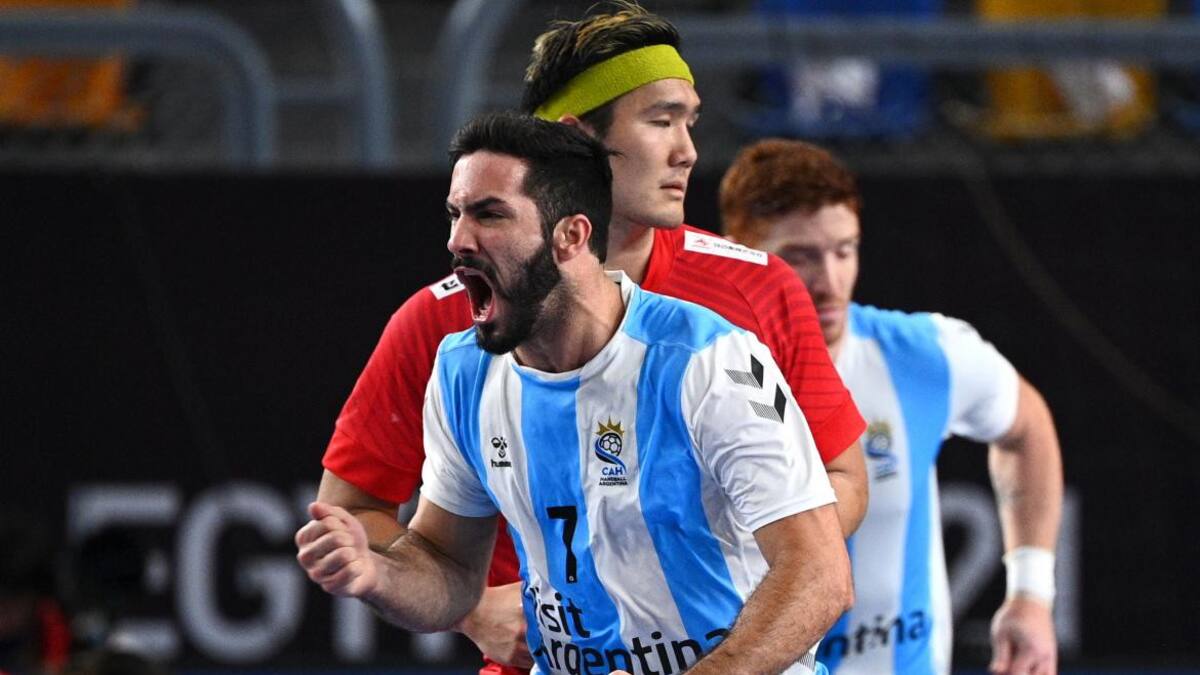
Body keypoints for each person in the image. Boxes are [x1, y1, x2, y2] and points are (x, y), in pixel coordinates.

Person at [317, 2, 867, 672]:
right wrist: (473, 608)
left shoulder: (734, 315)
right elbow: (373, 523)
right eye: (661, 120)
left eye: (688, 121)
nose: (688, 149)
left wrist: (735, 555)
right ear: (578, 137)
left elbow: (830, 510)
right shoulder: (459, 334)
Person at [719, 138, 1064, 675]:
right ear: (734, 251)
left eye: (844, 250)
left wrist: (1032, 591)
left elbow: (1029, 427)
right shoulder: (689, 371)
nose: (829, 283)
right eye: (800, 257)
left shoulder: (926, 355)